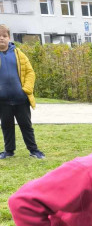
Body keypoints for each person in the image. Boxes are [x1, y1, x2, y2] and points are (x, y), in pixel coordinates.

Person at [0, 24, 45, 160]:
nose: (1, 38)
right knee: (6, 126)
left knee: (26, 126)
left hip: (21, 100)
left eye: (4, 36)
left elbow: (30, 72)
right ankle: (9, 151)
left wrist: (26, 89)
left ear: (9, 38)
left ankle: (33, 150)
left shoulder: (19, 54)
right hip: (3, 102)